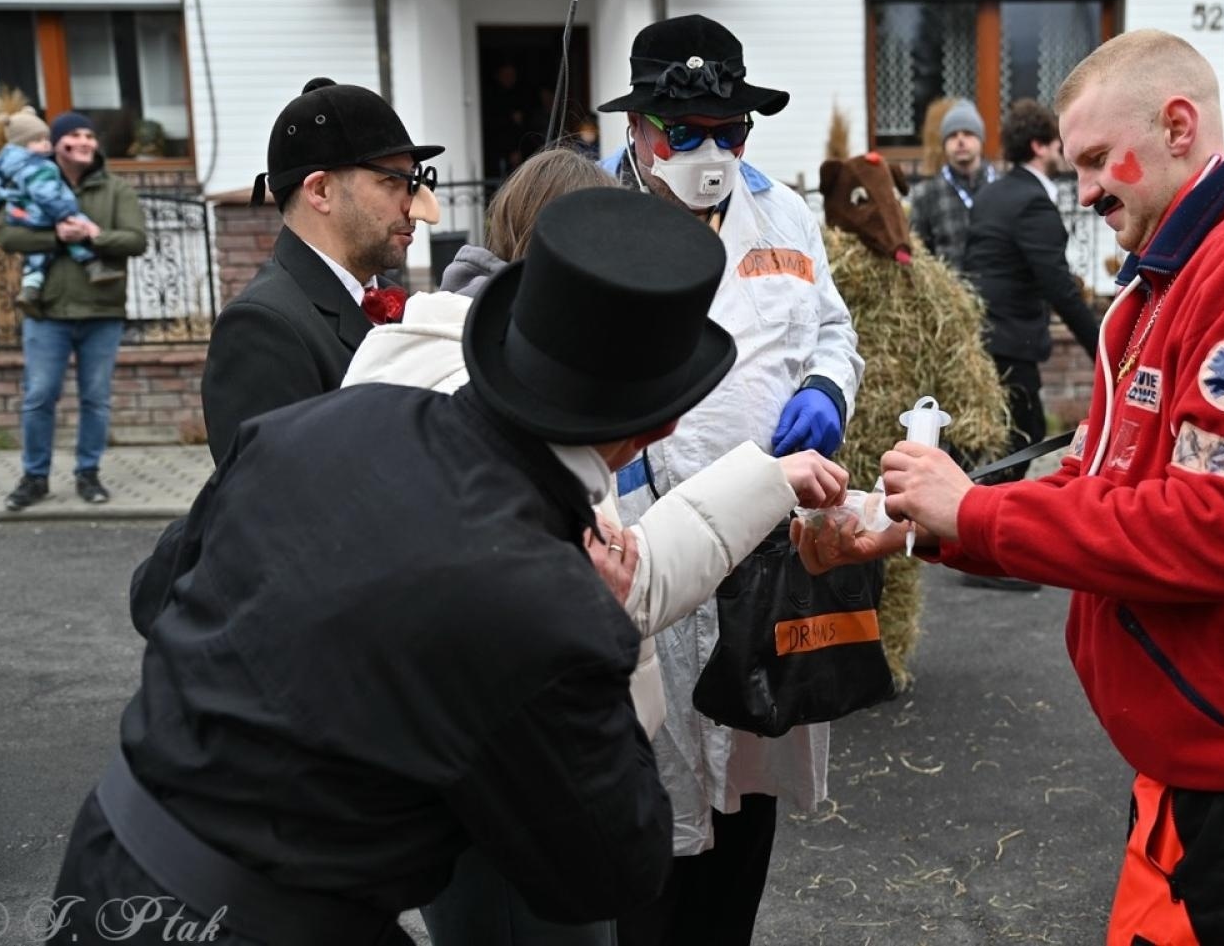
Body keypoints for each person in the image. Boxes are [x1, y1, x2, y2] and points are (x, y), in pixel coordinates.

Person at [794, 29, 1224, 945]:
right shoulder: (1181, 272)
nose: (1082, 190)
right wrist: (917, 528)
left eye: (1094, 160)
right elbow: (1102, 483)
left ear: (1177, 126)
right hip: (1208, 751)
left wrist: (970, 508)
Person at [49, 187, 736, 945]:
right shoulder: (555, 607)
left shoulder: (319, 421)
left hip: (102, 866)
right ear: (660, 425)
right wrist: (614, 627)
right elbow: (613, 867)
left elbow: (157, 596)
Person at [344, 146, 851, 946]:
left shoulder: (445, 348)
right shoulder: (499, 400)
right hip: (498, 789)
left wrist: (781, 471)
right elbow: (621, 589)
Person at [595, 13, 864, 946]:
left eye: (730, 131)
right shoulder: (593, 224)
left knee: (749, 793)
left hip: (763, 551)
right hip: (648, 551)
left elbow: (831, 327)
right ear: (637, 131)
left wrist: (828, 386)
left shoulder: (782, 211)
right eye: (687, 132)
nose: (712, 152)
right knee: (654, 816)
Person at [200, 76, 443, 463]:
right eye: (393, 181)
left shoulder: (391, 299)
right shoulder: (262, 327)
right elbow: (272, 501)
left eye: (414, 181)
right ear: (320, 191)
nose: (416, 206)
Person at [0, 111, 147, 511]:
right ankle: (35, 478)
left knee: (95, 399)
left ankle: (88, 473)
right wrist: (55, 235)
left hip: (102, 311)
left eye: (88, 135)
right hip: (46, 313)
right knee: (39, 396)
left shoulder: (116, 189)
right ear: (54, 144)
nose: (83, 141)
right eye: (73, 135)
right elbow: (7, 235)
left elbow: (136, 240)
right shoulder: (29, 181)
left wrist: (95, 235)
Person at [963, 97, 1099, 478]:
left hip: (978, 336)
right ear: (1039, 146)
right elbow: (1059, 288)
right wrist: (1104, 347)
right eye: (1058, 145)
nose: (1064, 154)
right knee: (1024, 435)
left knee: (994, 437)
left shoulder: (991, 193)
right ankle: (976, 521)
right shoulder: (1033, 203)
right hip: (1011, 340)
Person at [0, 106, 121, 318]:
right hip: (47, 210)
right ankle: (93, 265)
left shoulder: (3, 163)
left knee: (37, 253)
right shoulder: (40, 166)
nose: (47, 145)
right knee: (75, 229)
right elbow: (46, 194)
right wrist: (65, 214)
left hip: (20, 213)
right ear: (26, 143)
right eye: (41, 140)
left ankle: (30, 289)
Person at [907, 97, 997, 267]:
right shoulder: (926, 194)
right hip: (950, 288)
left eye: (968, 133)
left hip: (996, 286)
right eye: (953, 135)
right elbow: (918, 252)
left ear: (981, 139)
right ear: (944, 144)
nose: (960, 141)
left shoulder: (1001, 187)